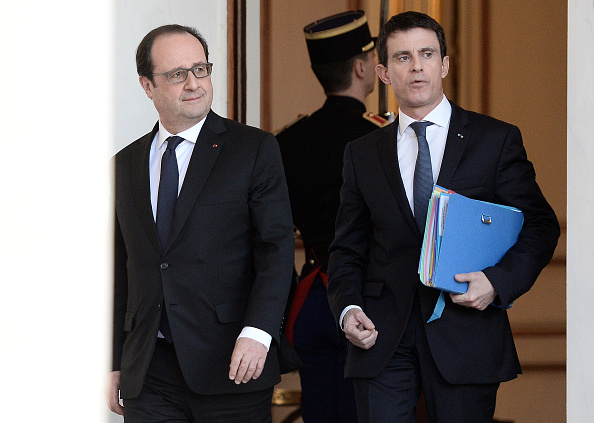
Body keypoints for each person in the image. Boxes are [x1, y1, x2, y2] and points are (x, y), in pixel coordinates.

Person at [326, 11, 560, 423]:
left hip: (465, 333)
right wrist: (347, 308)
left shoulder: (496, 139)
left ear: (444, 65)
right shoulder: (360, 153)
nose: (416, 66)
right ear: (382, 72)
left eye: (427, 54)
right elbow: (347, 248)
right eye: (402, 57)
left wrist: (497, 282)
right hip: (382, 339)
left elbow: (541, 226)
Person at [107, 24, 294, 422]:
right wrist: (113, 360)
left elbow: (275, 251)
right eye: (177, 74)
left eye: (201, 69)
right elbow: (121, 271)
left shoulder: (254, 149)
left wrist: (259, 332)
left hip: (232, 362)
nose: (194, 83)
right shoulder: (124, 165)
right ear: (147, 85)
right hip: (149, 370)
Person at [276, 10, 386, 423]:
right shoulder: (380, 137)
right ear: (361, 67)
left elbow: (274, 233)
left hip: (314, 301)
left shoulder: (289, 142)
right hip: (371, 298)